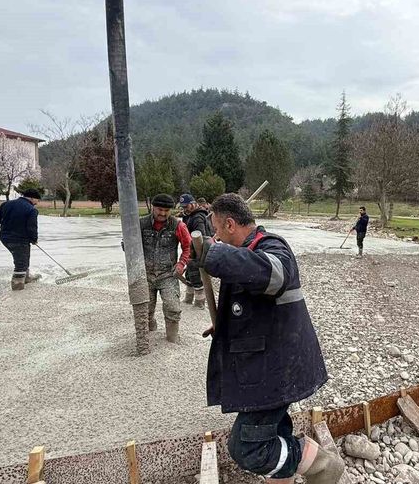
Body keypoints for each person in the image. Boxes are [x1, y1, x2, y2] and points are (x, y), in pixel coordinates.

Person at [190, 193, 344, 484]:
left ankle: (324, 467)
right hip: (270, 363)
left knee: (246, 447)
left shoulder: (272, 247)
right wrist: (223, 327)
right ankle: (285, 478)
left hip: (275, 369)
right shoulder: (246, 252)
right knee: (274, 433)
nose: (216, 236)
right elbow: (254, 308)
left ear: (231, 224)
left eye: (217, 230)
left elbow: (273, 277)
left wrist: (214, 254)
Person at [139, 193, 191, 342]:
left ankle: (172, 338)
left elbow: (188, 247)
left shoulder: (178, 226)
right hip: (145, 274)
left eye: (166, 211)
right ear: (153, 208)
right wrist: (127, 246)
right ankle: (148, 333)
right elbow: (131, 245)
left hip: (168, 274)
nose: (162, 213)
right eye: (159, 209)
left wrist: (181, 264)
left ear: (171, 211)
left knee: (173, 308)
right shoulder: (141, 224)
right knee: (145, 310)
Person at [0, 189, 41, 291]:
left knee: (23, 257)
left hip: (4, 238)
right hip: (19, 239)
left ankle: (26, 278)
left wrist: (8, 221)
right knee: (21, 262)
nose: (37, 203)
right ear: (32, 198)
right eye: (37, 200)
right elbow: (32, 227)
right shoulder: (31, 210)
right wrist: (34, 239)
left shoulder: (6, 204)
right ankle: (17, 286)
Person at [179, 193, 213, 308]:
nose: (185, 209)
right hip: (190, 249)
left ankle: (199, 302)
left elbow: (200, 236)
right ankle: (188, 299)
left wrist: (192, 253)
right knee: (189, 275)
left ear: (193, 203)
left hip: (198, 250)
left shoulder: (198, 217)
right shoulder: (188, 216)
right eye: (183, 207)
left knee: (195, 275)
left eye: (186, 206)